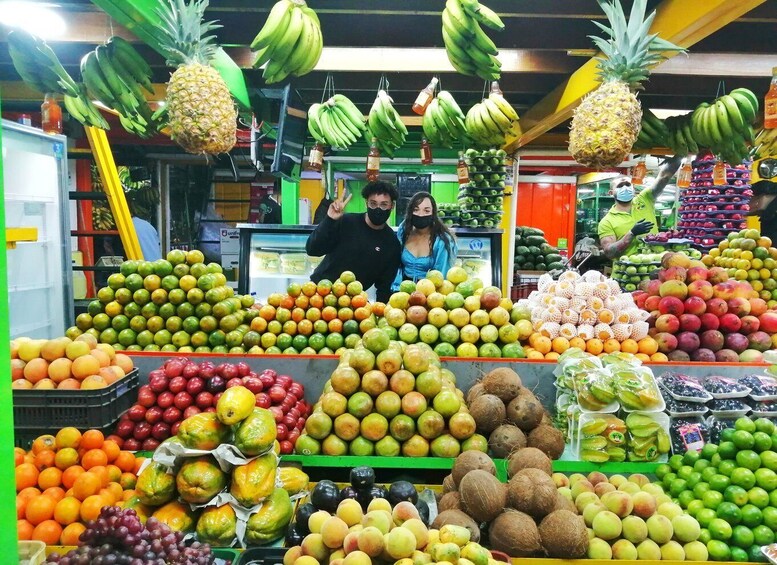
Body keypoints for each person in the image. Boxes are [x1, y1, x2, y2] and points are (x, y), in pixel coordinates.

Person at [306, 180, 401, 302]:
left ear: (391, 206)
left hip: (353, 304)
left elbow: (384, 286)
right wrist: (329, 220)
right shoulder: (346, 221)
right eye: (373, 203)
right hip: (319, 293)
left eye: (383, 205)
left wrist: (381, 313)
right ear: (366, 203)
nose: (378, 209)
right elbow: (312, 249)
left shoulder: (391, 243)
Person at [598, 155, 683, 260]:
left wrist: (680, 155)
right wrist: (631, 234)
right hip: (626, 273)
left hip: (655, 266)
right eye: (620, 186)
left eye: (628, 185)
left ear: (633, 189)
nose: (625, 188)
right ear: (611, 193)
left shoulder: (645, 199)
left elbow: (664, 177)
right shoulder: (606, 222)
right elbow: (609, 252)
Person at [392, 192, 457, 290]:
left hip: (430, 294)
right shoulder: (404, 231)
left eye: (426, 211)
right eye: (416, 210)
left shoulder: (442, 241)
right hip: (402, 291)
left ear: (433, 213)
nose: (421, 214)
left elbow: (441, 278)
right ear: (410, 211)